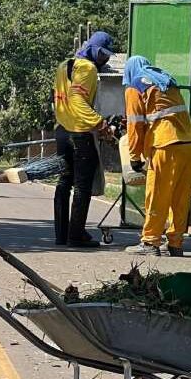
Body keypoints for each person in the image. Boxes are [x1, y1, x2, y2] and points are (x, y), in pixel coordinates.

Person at [122, 55, 191, 257]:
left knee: (157, 194)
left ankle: (150, 241)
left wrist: (134, 156)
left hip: (166, 144)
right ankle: (175, 243)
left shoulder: (136, 86)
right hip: (189, 143)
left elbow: (135, 124)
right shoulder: (166, 80)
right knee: (180, 197)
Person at [53, 31, 114, 247]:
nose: (104, 59)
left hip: (62, 131)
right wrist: (99, 123)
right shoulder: (88, 68)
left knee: (64, 182)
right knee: (82, 185)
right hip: (80, 134)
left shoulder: (64, 65)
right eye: (102, 54)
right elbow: (77, 98)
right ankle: (76, 234)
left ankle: (62, 235)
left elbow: (62, 98)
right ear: (93, 50)